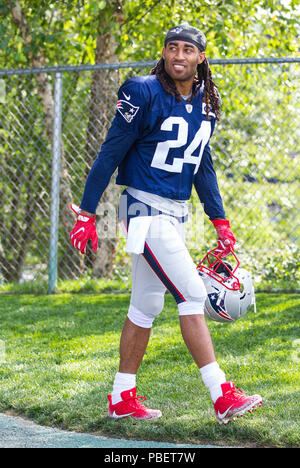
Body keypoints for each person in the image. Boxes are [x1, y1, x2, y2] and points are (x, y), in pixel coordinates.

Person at [69, 24, 262, 425]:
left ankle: (122, 397)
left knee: (146, 306)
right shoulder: (142, 91)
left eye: (187, 50)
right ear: (164, 53)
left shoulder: (208, 102)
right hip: (142, 208)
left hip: (176, 212)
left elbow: (201, 165)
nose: (179, 55)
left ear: (200, 58)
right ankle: (221, 395)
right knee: (192, 293)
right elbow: (109, 153)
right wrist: (88, 213)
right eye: (172, 48)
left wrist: (219, 220)